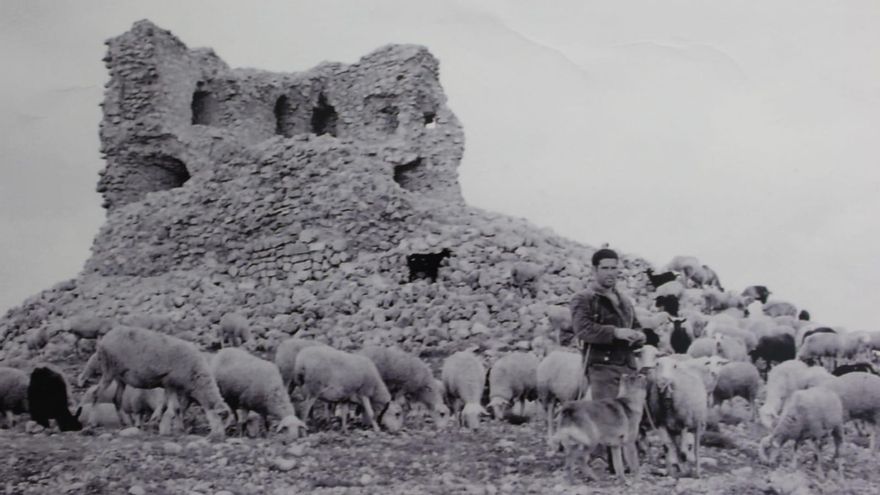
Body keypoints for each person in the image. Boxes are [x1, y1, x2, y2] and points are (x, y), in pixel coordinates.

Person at [570, 248, 646, 473]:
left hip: (627, 365)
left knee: (632, 413)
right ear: (594, 270)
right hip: (602, 365)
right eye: (605, 268)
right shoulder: (584, 299)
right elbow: (583, 329)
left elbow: (637, 326)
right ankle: (600, 460)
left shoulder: (624, 300)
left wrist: (639, 336)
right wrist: (615, 333)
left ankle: (627, 459)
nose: (610, 273)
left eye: (614, 267)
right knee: (604, 413)